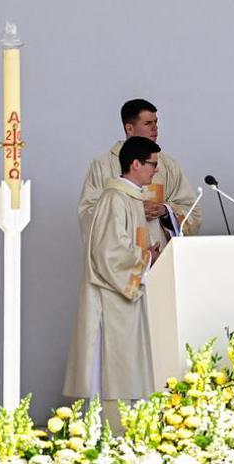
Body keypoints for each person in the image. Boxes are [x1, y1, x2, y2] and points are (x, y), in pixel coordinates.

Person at [63, 136, 163, 402]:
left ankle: (128, 428)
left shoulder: (130, 198)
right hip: (111, 298)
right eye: (152, 164)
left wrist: (146, 255)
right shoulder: (114, 199)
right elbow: (108, 252)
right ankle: (108, 431)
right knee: (110, 371)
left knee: (128, 366)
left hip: (127, 296)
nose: (156, 170)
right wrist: (145, 258)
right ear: (135, 164)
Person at [77, 98, 200, 249]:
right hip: (125, 259)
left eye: (156, 122)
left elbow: (191, 210)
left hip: (162, 256)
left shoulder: (168, 165)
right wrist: (133, 210)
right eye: (148, 123)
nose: (155, 128)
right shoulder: (103, 165)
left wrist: (165, 211)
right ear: (129, 128)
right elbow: (88, 213)